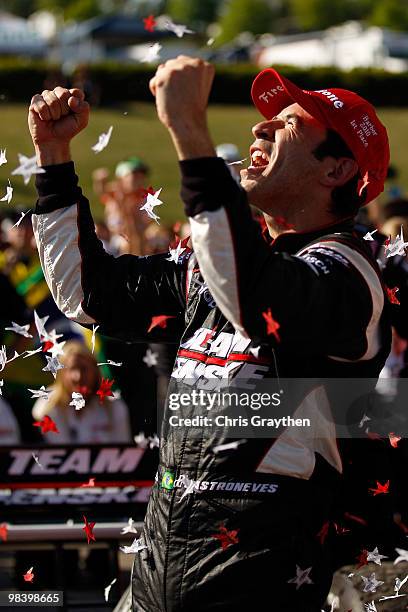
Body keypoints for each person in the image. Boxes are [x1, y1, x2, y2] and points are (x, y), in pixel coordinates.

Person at [28, 61, 391, 611]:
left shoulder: (350, 276)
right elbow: (84, 294)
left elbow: (256, 296)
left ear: (337, 171)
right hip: (154, 586)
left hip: (260, 592)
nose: (259, 129)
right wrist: (55, 160)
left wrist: (191, 134)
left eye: (289, 124)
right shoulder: (210, 271)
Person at [32, 341, 132, 444]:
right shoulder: (48, 405)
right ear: (61, 373)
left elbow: (125, 451)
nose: (78, 377)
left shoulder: (113, 405)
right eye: (72, 369)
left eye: (84, 369)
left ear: (95, 371)